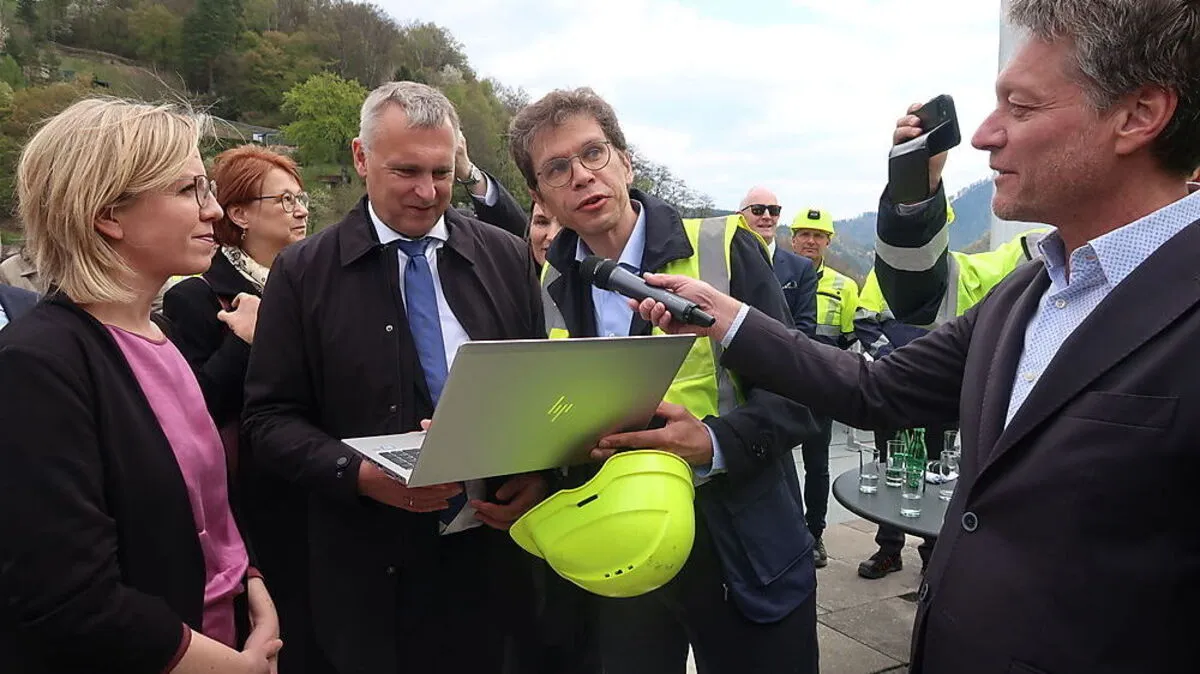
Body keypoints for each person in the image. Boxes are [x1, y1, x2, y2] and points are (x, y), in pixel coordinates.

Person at [633, 1, 1200, 670]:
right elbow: (876, 389)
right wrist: (727, 318)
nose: (986, 136)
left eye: (1020, 107)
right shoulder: (1028, 291)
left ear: (1138, 116)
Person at [508, 87, 820, 674]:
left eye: (593, 154)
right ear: (539, 193)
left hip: (741, 546)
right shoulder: (553, 280)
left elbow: (802, 394)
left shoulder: (724, 248)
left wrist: (712, 442)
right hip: (623, 552)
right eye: (556, 168)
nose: (581, 177)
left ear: (626, 161)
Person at [241, 81, 547, 674]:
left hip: (493, 563)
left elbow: (534, 392)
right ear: (361, 157)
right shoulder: (304, 273)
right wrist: (360, 475)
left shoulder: (508, 257)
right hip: (369, 576)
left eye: (441, 172)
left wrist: (536, 473)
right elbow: (268, 421)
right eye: (406, 170)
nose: (427, 192)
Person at [0, 98, 280, 673]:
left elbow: (208, 506)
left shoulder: (162, 337)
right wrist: (236, 668)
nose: (213, 210)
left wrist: (253, 585)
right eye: (189, 190)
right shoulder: (37, 365)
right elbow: (68, 597)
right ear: (109, 214)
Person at [162, 144, 315, 672]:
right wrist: (246, 343)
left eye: (302, 197)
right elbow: (196, 405)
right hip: (254, 496)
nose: (300, 209)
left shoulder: (316, 282)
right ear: (240, 214)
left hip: (323, 477)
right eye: (284, 198)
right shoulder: (198, 296)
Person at [787, 206, 858, 568]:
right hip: (780, 384)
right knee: (776, 463)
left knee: (817, 464)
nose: (811, 241)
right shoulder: (775, 276)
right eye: (804, 234)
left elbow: (848, 337)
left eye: (818, 235)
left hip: (820, 385)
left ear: (828, 241)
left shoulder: (844, 287)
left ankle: (814, 534)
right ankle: (783, 532)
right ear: (793, 238)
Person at [737, 186, 817, 335]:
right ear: (740, 216)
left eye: (774, 210)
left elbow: (805, 328)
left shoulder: (801, 268)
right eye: (757, 210)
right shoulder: (725, 262)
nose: (767, 216)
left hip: (784, 355)